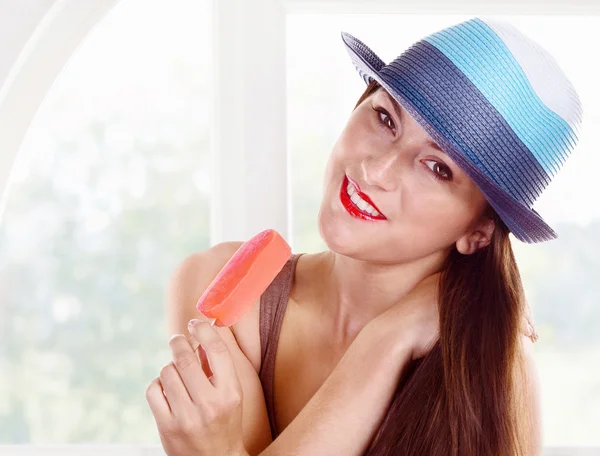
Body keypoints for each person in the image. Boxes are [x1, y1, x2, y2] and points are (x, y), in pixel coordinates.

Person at [146, 16, 582, 456]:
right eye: (385, 118)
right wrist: (394, 335)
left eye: (437, 168)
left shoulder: (494, 373)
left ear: (479, 232)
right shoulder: (228, 289)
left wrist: (388, 337)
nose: (376, 170)